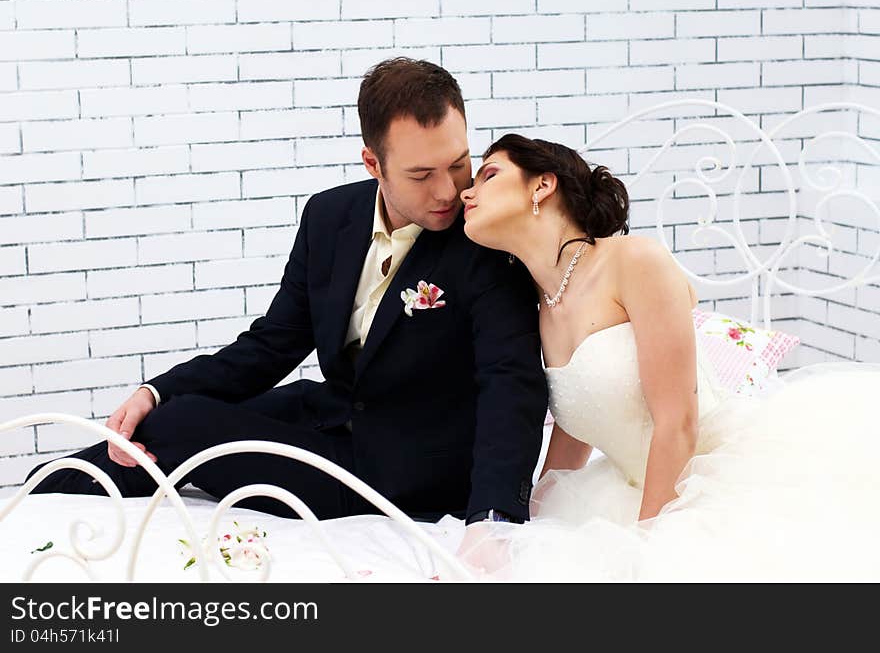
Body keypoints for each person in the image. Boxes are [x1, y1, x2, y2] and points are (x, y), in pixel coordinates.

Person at [25, 59, 548, 528]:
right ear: (373, 164)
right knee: (168, 413)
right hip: (330, 415)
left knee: (185, 424)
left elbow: (513, 382)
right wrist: (153, 391)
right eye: (421, 174)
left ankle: (41, 495)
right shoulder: (329, 216)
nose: (449, 191)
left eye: (459, 163)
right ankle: (43, 493)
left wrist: (494, 518)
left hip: (409, 466)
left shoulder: (484, 237)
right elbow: (271, 344)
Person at [454, 133, 880, 581]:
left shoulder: (634, 261)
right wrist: (523, 528)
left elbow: (678, 421)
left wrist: (645, 549)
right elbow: (575, 433)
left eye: (488, 174)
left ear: (542, 185)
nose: (467, 190)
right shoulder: (541, 305)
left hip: (711, 476)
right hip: (628, 489)